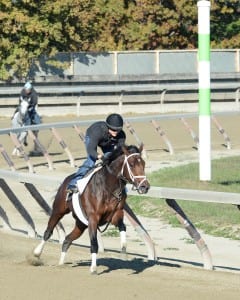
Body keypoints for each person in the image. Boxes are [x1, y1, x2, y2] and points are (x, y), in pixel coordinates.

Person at [67, 113, 126, 194]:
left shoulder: (121, 135)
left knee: (112, 160)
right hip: (92, 137)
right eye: (113, 130)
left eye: (118, 130)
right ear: (108, 127)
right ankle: (73, 183)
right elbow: (91, 150)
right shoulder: (97, 131)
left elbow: (119, 151)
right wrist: (100, 157)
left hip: (107, 142)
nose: (115, 132)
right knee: (91, 160)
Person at [16, 82, 42, 155]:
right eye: (26, 89)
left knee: (35, 117)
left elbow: (34, 102)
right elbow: (20, 100)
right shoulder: (22, 91)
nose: (27, 91)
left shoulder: (34, 94)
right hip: (23, 106)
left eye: (28, 90)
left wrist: (30, 107)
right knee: (17, 111)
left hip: (31, 107)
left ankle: (36, 126)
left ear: (30, 89)